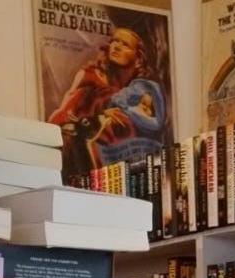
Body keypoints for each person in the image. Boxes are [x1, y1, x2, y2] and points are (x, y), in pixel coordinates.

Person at [48, 26, 168, 173]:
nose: (116, 46)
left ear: (138, 60)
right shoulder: (90, 75)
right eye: (114, 41)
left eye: (125, 44)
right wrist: (98, 117)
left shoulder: (139, 89)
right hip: (81, 149)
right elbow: (61, 117)